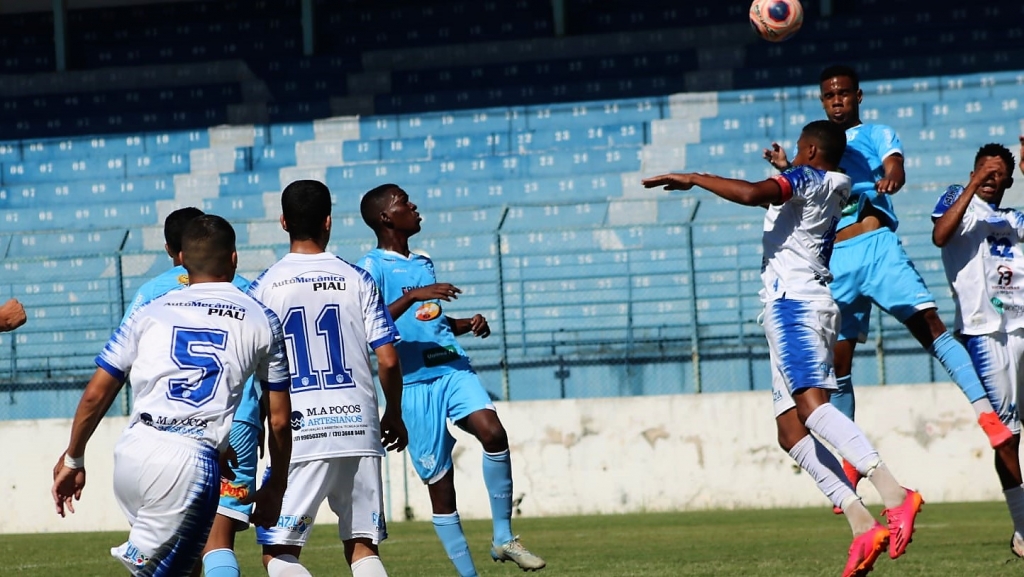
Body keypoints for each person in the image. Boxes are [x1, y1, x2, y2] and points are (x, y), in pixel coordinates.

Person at [644, 120, 923, 577]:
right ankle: (861, 525)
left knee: (812, 411)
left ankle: (895, 494)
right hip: (794, 304)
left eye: (798, 149)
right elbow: (797, 186)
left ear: (811, 150)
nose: (793, 155)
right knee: (791, 433)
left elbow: (755, 193)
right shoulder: (830, 182)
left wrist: (693, 178)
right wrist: (786, 166)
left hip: (796, 306)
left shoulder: (808, 179)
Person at [764, 65, 1013, 494]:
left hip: (875, 245)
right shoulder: (815, 144)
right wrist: (788, 166)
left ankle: (988, 416)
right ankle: (850, 462)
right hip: (831, 261)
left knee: (929, 326)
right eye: (829, 95)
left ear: (858, 96)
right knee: (837, 366)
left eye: (843, 93)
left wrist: (893, 174)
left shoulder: (876, 133)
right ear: (822, 100)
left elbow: (893, 163)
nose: (837, 100)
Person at [51, 215, 293, 576]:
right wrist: (277, 483)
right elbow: (279, 418)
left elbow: (95, 394)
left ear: (180, 257)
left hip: (133, 454)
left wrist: (73, 458)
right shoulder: (261, 316)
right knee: (200, 556)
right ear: (234, 258)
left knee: (182, 567)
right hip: (190, 461)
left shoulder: (148, 310)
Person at [358, 184, 546, 576]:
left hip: (451, 367)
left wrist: (465, 323)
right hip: (412, 384)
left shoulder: (423, 261)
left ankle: (503, 537)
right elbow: (366, 324)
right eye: (404, 203)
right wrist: (413, 296)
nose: (414, 206)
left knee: (493, 433)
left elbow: (429, 322)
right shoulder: (370, 267)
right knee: (441, 488)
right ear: (386, 218)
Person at [247, 180, 408, 577]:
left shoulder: (263, 288)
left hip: (300, 431)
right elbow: (387, 359)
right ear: (329, 221)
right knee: (362, 546)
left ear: (283, 222)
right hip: (358, 426)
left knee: (279, 550)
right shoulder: (357, 279)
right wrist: (394, 413)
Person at [122, 207, 257, 577]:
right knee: (218, 541)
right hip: (236, 422)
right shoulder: (244, 287)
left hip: (164, 433)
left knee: (176, 548)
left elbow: (122, 360)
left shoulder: (150, 294)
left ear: (172, 249)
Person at [932, 143, 1024, 557]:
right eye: (983, 170)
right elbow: (940, 236)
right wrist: (970, 184)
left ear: (1008, 178)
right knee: (1006, 437)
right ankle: (1023, 530)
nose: (990, 177)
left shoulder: (1014, 218)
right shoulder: (958, 199)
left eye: (997, 172)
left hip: (1021, 326)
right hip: (984, 333)